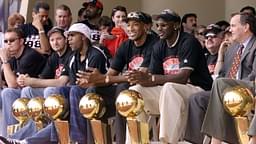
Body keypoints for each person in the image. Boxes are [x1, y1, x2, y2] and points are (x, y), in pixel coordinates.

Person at [0, 23, 110, 144]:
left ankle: (76, 140)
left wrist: (32, 81)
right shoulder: (73, 57)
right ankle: (15, 138)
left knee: (57, 96)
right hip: (73, 96)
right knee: (45, 103)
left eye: (72, 36)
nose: (69, 39)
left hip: (98, 96)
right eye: (52, 39)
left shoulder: (94, 54)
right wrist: (30, 81)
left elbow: (75, 83)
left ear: (83, 37)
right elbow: (68, 82)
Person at [123, 9, 212, 144]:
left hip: (197, 89)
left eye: (164, 25)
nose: (159, 29)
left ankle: (167, 141)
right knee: (135, 92)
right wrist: (140, 79)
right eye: (157, 25)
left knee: (169, 87)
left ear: (176, 25)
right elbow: (153, 76)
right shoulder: (159, 45)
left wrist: (151, 79)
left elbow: (182, 77)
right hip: (170, 94)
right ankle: (136, 140)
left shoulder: (188, 42)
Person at [72, 11, 159, 144]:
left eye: (135, 25)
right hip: (128, 93)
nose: (130, 29)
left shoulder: (154, 43)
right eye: (128, 25)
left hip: (147, 91)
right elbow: (110, 74)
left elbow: (138, 76)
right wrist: (94, 80)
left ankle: (121, 140)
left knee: (123, 89)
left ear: (146, 27)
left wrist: (104, 79)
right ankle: (96, 141)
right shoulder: (126, 45)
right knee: (92, 93)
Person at [184, 12, 256, 144]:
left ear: (246, 27)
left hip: (250, 88)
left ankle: (215, 140)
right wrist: (221, 55)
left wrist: (230, 86)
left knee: (221, 84)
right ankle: (196, 141)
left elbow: (254, 77)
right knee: (197, 98)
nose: (229, 29)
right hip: (229, 89)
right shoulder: (233, 48)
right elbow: (222, 75)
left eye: (233, 26)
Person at [0, 28, 46, 137]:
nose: (8, 44)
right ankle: (7, 136)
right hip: (24, 94)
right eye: (6, 41)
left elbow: (13, 85)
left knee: (9, 92)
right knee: (6, 92)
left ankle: (11, 137)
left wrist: (5, 62)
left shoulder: (30, 55)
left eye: (12, 40)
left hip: (39, 94)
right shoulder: (13, 58)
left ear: (21, 41)